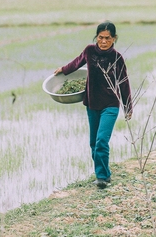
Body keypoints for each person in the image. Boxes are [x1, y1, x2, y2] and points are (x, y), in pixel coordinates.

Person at [54, 21, 132, 189]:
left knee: (101, 141)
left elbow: (123, 83)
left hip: (110, 104)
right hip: (92, 103)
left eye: (108, 38)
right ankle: (105, 172)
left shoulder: (117, 58)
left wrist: (128, 107)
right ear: (96, 37)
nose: (103, 42)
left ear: (114, 38)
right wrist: (63, 69)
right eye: (100, 37)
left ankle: (102, 178)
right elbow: (76, 62)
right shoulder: (90, 51)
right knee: (93, 143)